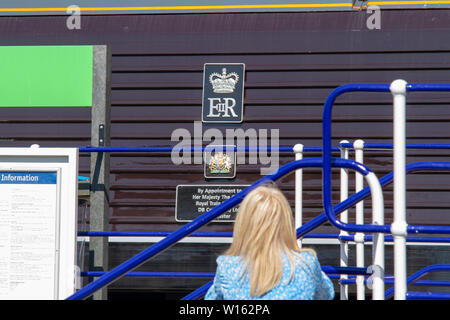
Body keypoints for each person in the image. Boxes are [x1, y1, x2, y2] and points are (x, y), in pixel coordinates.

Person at [205, 184, 335, 300]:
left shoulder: (227, 267)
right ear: (286, 224)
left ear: (243, 225)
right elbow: (327, 294)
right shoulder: (306, 263)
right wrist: (295, 250)